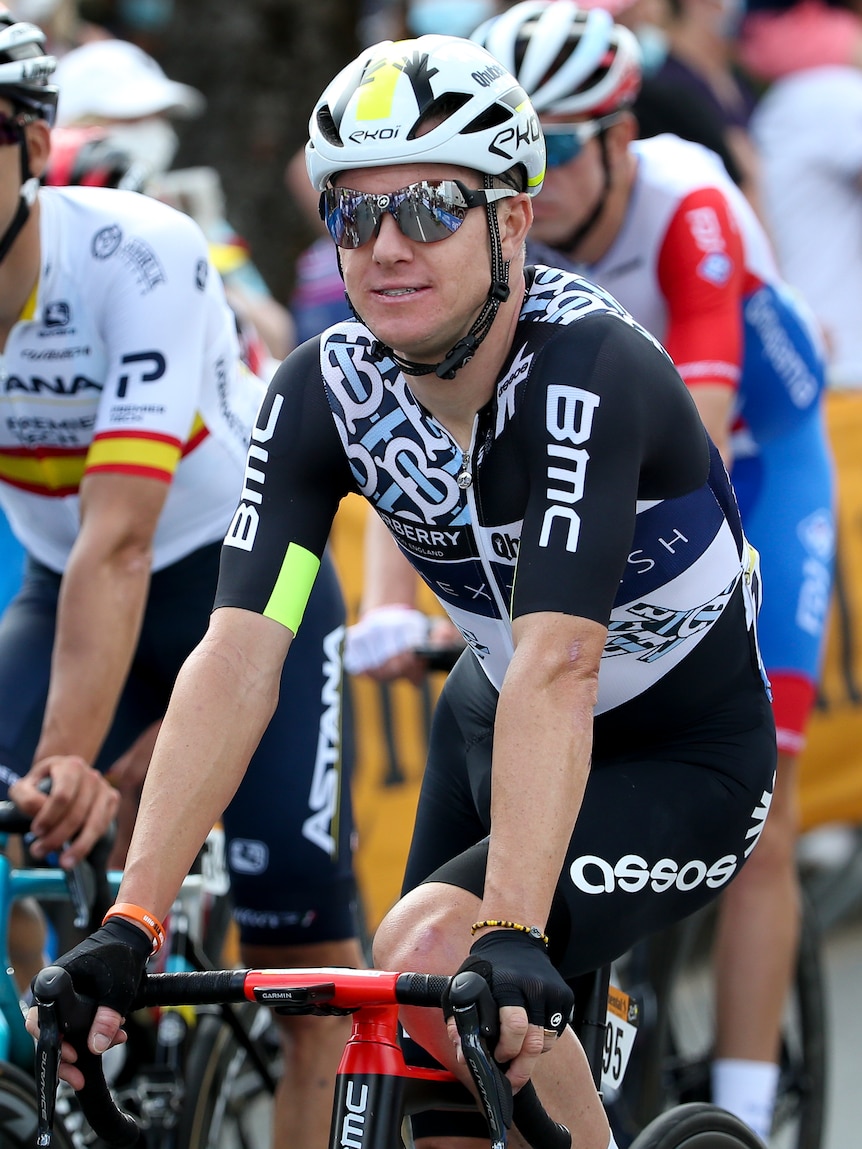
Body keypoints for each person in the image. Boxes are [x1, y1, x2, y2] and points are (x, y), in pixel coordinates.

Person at [30, 30, 777, 1149]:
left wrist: (514, 924)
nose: (383, 247)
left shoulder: (585, 370)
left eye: (427, 207)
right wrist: (134, 919)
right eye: (353, 213)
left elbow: (562, 659)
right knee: (428, 1060)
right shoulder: (324, 394)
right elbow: (244, 649)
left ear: (510, 220)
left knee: (435, 949)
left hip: (676, 751)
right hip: (488, 725)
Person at [468, 3, 834, 1139]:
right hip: (639, 495)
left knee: (763, 818)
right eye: (522, 153)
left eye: (564, 148)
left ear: (620, 135)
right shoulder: (504, 228)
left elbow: (710, 426)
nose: (543, 178)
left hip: (762, 479)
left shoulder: (689, 201)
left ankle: (747, 1104)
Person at [0, 14, 361, 1147]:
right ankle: (41, 1061)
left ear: (26, 144)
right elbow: (86, 571)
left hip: (245, 589)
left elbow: (121, 538)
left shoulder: (136, 250)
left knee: (304, 966)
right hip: (67, 596)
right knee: (25, 836)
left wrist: (69, 760)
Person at [52, 36, 294, 369]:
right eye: (132, 119)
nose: (155, 132)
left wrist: (201, 244)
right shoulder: (41, 221)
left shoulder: (184, 212)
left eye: (161, 118)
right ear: (68, 128)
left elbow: (276, 335)